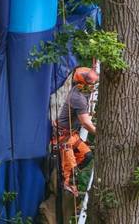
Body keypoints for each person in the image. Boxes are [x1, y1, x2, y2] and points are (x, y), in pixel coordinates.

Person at [55, 67, 98, 196]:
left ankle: (66, 172)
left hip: (72, 135)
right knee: (71, 171)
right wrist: (100, 133)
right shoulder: (77, 98)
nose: (92, 87)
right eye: (90, 84)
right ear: (82, 84)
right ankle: (66, 181)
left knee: (87, 156)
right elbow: (85, 123)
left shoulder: (81, 93)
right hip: (64, 137)